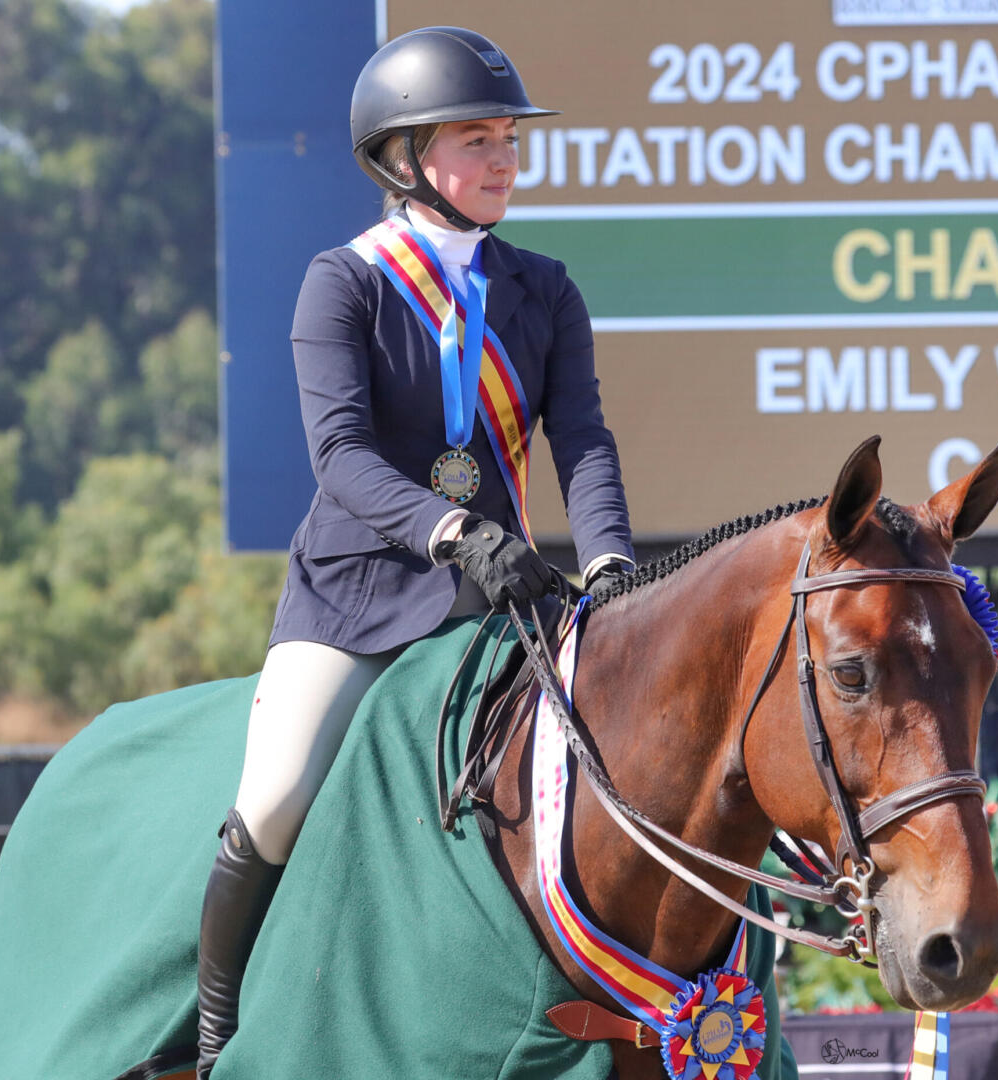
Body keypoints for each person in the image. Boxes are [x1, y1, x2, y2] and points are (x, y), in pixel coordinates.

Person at [194, 26, 635, 1077]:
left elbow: (583, 439)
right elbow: (340, 454)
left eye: (508, 140)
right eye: (476, 140)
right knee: (280, 796)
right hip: (360, 595)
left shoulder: (545, 289)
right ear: (405, 160)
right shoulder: (342, 283)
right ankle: (214, 1027)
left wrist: (612, 562)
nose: (502, 161)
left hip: (506, 596)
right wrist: (452, 530)